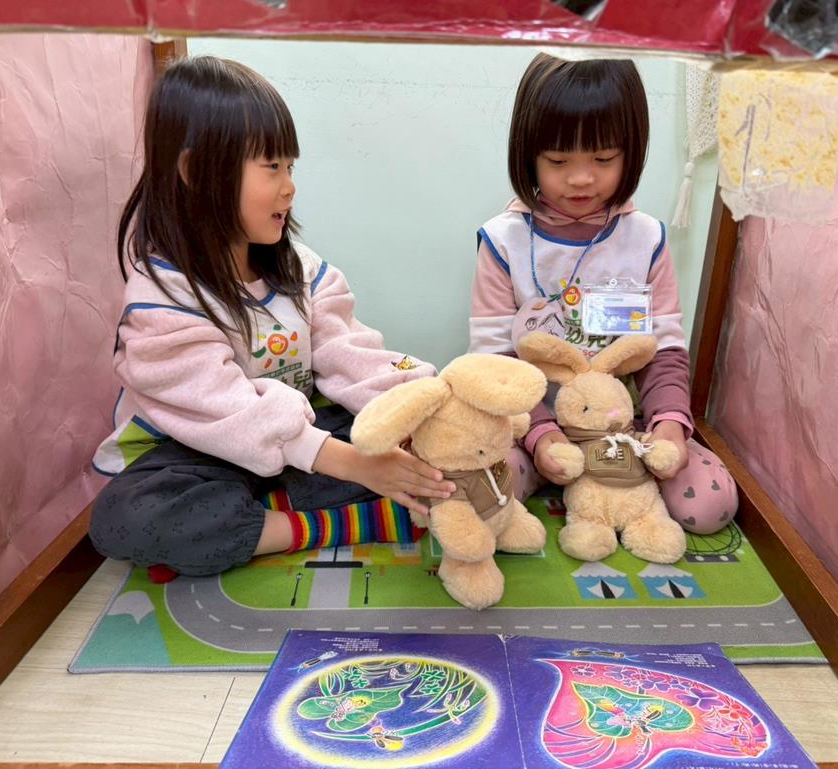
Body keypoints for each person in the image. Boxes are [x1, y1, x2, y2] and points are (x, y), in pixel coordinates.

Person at [89, 56, 454, 579]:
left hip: (294, 444)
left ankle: (258, 520)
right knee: (126, 516)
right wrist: (354, 466)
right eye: (272, 168)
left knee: (405, 443)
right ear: (196, 173)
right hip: (195, 454)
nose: (289, 187)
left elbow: (351, 356)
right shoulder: (160, 300)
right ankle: (339, 522)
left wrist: (421, 407)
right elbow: (224, 408)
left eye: (290, 168)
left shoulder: (304, 272)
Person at [469, 53, 737, 535]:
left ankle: (619, 480)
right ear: (527, 154)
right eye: (558, 161)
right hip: (530, 425)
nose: (580, 178)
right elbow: (494, 364)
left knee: (711, 506)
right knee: (474, 498)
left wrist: (668, 424)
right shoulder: (503, 241)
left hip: (624, 428)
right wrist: (542, 435)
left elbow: (664, 350)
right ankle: (554, 474)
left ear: (631, 153)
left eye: (603, 159)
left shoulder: (645, 238)